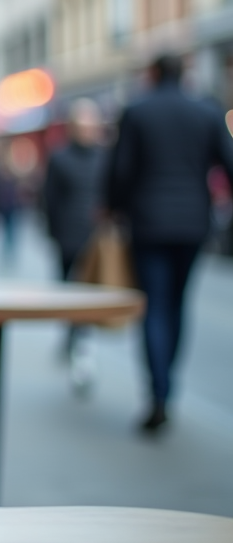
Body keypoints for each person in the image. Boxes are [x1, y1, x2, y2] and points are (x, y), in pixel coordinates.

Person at [107, 54, 233, 432]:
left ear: (153, 73)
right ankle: (168, 386)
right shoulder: (206, 110)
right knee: (177, 305)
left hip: (147, 223)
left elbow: (121, 170)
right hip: (193, 223)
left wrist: (114, 207)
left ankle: (158, 392)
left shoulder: (138, 111)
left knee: (155, 306)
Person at [42, 98, 106, 391]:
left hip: (95, 239)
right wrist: (53, 231)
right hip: (67, 236)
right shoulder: (60, 157)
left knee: (88, 294)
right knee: (69, 290)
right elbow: (49, 200)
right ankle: (74, 336)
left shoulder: (105, 157)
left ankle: (81, 346)